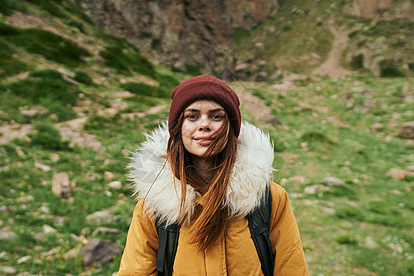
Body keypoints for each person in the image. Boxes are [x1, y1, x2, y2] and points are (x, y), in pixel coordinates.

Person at [117, 75, 309, 275]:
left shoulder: (269, 198)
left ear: (231, 127)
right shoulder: (154, 206)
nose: (204, 125)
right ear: (178, 127)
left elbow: (292, 269)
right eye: (192, 116)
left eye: (216, 116)